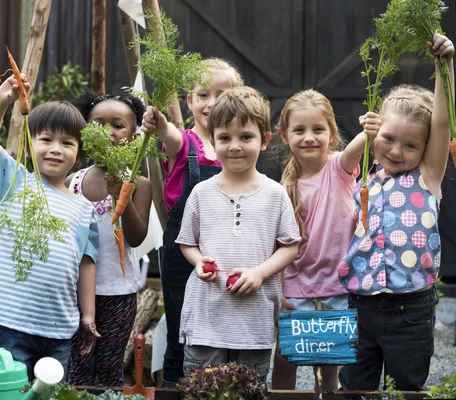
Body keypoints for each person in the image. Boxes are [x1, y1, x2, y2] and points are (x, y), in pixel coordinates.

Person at [338, 34, 454, 391]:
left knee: (407, 387)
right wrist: (367, 133)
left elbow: (441, 124)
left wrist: (444, 66)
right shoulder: (368, 177)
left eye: (410, 145)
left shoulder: (426, 178)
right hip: (360, 305)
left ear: (425, 149)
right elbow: (347, 158)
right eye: (388, 138)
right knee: (355, 386)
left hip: (410, 310)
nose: (396, 150)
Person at [0, 75, 100, 380]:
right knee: (9, 390)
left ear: (78, 152)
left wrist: (88, 316)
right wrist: (3, 100)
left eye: (67, 143)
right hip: (12, 322)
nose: (56, 149)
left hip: (59, 326)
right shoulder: (16, 181)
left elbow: (87, 264)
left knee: (51, 393)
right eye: (46, 140)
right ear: (30, 142)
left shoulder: (84, 208)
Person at [175, 86, 301, 379]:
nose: (234, 146)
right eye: (224, 138)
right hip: (206, 316)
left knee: (249, 386)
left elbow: (290, 246)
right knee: (202, 388)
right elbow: (187, 243)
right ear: (213, 140)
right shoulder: (201, 193)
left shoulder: (275, 194)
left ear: (265, 140)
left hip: (253, 320)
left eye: (246, 137)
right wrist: (198, 262)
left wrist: (260, 273)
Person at [141, 58, 245, 385]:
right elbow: (169, 135)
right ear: (189, 102)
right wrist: (158, 124)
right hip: (182, 256)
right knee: (180, 335)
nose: (211, 103)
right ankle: (174, 388)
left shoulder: (238, 146)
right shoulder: (186, 143)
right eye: (202, 95)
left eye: (223, 93)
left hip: (228, 253)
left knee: (225, 333)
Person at [270, 89, 380, 391]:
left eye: (318, 129)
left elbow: (359, 146)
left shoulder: (339, 168)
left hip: (337, 283)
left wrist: (371, 127)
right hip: (296, 287)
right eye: (299, 130)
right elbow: (279, 245)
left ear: (331, 134)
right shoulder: (284, 187)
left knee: (329, 359)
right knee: (286, 358)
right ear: (283, 135)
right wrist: (280, 291)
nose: (309, 137)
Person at [66, 92, 152, 386]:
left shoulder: (139, 184)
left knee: (108, 367)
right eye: (98, 124)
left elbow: (136, 238)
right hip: (73, 292)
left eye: (118, 125)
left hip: (118, 293)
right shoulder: (71, 181)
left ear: (133, 135)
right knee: (76, 366)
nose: (108, 132)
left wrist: (121, 195)